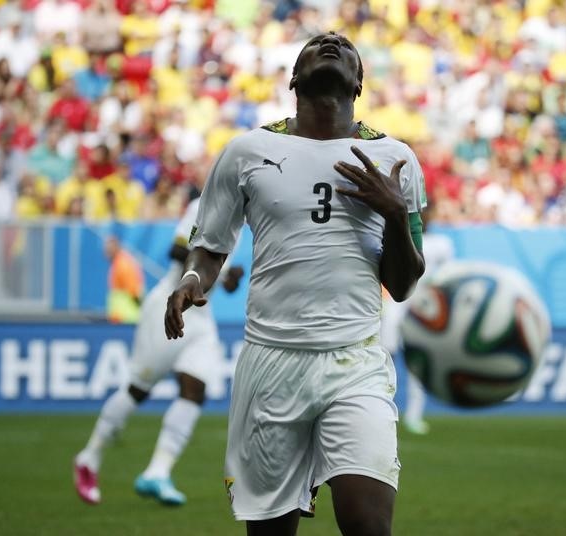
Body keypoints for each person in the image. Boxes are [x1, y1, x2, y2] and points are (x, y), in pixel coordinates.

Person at [164, 32, 426, 536]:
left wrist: (394, 213)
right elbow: (211, 244)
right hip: (271, 362)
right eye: (315, 45)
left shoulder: (395, 158)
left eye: (344, 46)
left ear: (359, 81)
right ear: (292, 78)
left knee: (367, 523)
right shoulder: (247, 151)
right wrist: (193, 278)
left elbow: (406, 282)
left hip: (356, 361)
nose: (329, 43)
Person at [74, 197, 244, 506]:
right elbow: (177, 250)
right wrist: (209, 268)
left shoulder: (241, 220)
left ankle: (158, 471)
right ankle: (90, 456)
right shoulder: (206, 205)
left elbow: (214, 268)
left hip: (202, 315)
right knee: (138, 389)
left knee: (196, 389)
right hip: (172, 303)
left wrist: (228, 278)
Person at [380, 206, 454, 435]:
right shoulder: (402, 236)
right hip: (398, 304)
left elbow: (446, 275)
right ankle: (381, 411)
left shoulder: (442, 243)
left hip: (422, 308)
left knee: (417, 363)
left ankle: (414, 415)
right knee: (384, 358)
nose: (425, 218)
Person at [104, 235, 144, 323]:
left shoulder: (123, 264)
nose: (106, 252)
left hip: (126, 319)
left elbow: (134, 291)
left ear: (116, 247)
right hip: (122, 318)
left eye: (109, 249)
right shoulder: (119, 262)